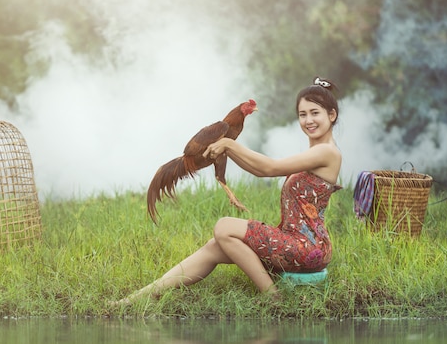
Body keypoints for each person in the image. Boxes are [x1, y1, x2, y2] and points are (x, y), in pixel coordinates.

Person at [114, 77, 342, 304]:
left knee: (224, 227)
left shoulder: (327, 152)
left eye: (315, 113)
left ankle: (274, 298)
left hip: (307, 247)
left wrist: (230, 145)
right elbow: (258, 169)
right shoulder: (315, 153)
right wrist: (227, 146)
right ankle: (138, 298)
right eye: (303, 114)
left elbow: (269, 168)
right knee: (214, 247)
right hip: (296, 243)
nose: (308, 120)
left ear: (331, 115)